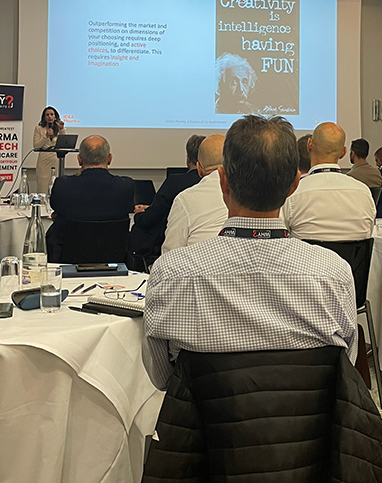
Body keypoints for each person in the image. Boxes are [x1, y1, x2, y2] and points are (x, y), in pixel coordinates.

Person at [143, 115, 358, 391]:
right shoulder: (335, 274)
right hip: (306, 431)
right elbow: (344, 369)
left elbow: (162, 380)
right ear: (295, 184)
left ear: (223, 182)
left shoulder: (171, 273)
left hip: (205, 432)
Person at [282, 123, 376, 242]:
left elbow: (282, 238)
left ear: (309, 145)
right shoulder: (364, 193)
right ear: (343, 152)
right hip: (350, 261)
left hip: (308, 260)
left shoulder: (293, 194)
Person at [46, 135, 135, 260]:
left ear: (79, 160)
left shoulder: (63, 186)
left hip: (67, 262)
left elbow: (56, 208)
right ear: (109, 159)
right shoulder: (126, 186)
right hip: (114, 263)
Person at [129, 135, 205, 259]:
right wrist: (150, 208)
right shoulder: (221, 184)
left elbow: (151, 218)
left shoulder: (175, 182)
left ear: (187, 159)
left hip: (173, 250)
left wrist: (138, 216)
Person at [162, 135, 228, 253]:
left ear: (199, 168)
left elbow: (170, 254)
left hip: (198, 269)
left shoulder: (185, 200)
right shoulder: (249, 196)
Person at [33, 106, 65, 193]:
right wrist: (46, 136)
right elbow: (36, 145)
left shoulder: (59, 128)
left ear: (55, 116)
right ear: (44, 117)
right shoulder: (38, 128)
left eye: (52, 114)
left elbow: (64, 142)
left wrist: (61, 130)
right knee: (42, 187)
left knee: (56, 186)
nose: (50, 117)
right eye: (47, 115)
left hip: (55, 159)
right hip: (43, 160)